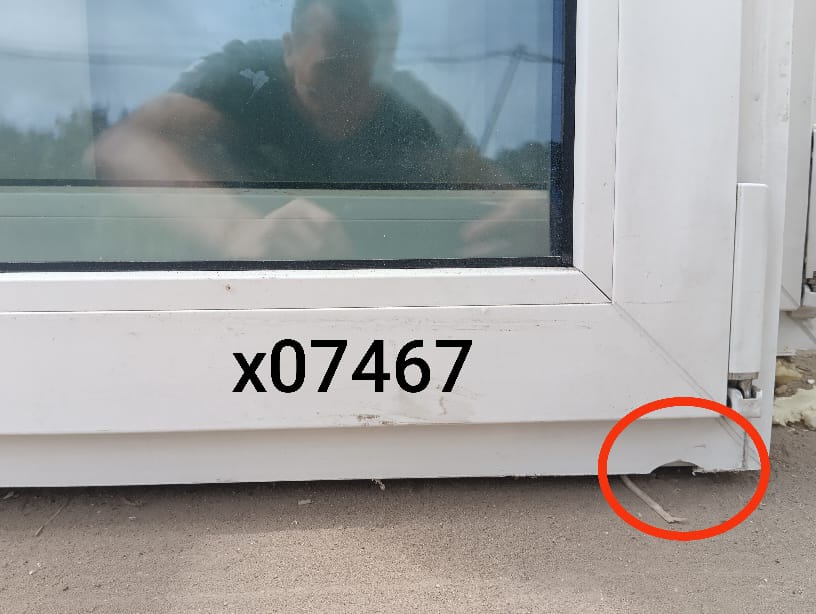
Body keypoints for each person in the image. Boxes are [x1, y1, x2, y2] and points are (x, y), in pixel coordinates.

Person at [93, 0, 444, 185]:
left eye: (365, 77)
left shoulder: (398, 103)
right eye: (331, 71)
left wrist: (482, 210)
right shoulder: (247, 76)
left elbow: (463, 169)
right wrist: (236, 230)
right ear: (289, 51)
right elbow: (118, 147)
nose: (350, 96)